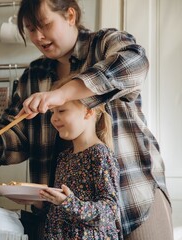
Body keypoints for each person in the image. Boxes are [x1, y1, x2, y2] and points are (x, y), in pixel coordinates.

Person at [0, 0, 173, 239]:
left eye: (45, 24)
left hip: (132, 196)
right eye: (31, 29)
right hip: (65, 219)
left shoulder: (103, 45)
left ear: (70, 16)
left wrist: (62, 94)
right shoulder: (33, 76)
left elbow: (134, 63)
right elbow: (17, 131)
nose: (39, 37)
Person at [39, 80, 122, 239]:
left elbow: (110, 211)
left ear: (88, 112)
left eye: (61, 111)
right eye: (52, 112)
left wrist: (69, 203)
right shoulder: (64, 158)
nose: (54, 119)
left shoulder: (100, 154)